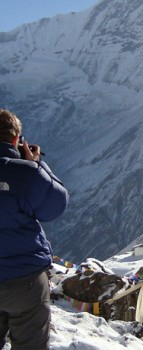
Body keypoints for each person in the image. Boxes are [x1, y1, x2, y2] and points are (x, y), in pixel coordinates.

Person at [0, 109, 69, 350]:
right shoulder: (27, 173)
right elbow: (56, 206)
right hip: (25, 282)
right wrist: (37, 166)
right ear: (17, 139)